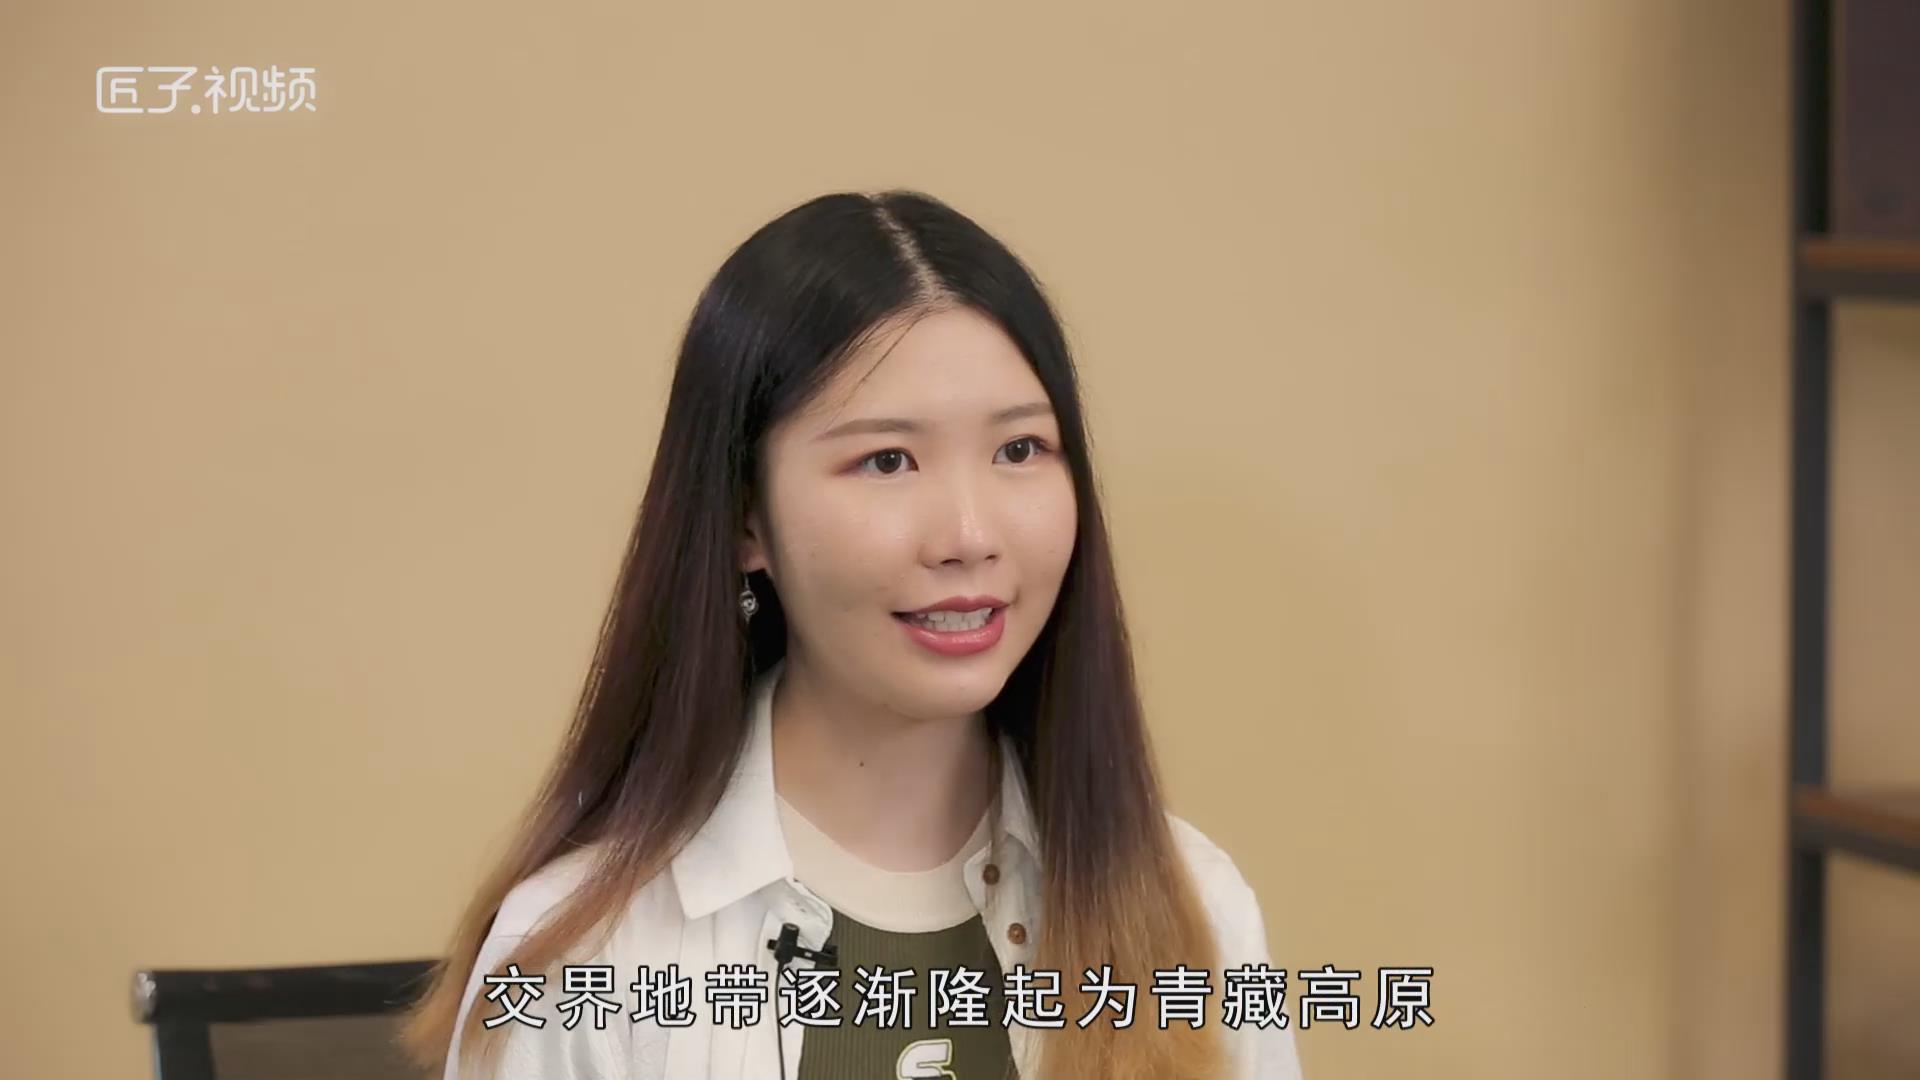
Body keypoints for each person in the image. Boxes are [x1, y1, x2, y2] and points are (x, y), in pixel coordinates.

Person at [400, 190, 1304, 1080]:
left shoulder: (1195, 913)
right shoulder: (578, 960)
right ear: (744, 516)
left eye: (1019, 450)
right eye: (887, 460)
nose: (969, 536)